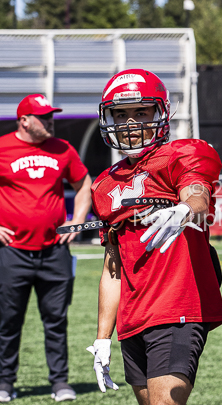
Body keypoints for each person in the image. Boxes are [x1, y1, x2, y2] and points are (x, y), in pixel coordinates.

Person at [87, 69, 222, 405]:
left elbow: (197, 194)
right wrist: (103, 337)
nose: (130, 122)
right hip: (133, 318)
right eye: (120, 114)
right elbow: (112, 267)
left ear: (160, 114)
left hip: (178, 308)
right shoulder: (103, 184)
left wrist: (183, 209)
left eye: (140, 112)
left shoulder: (184, 153)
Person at [0, 94, 92, 402]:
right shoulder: (2, 148)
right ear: (24, 120)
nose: (50, 120)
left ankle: (60, 383)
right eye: (43, 116)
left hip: (54, 252)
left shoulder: (62, 149)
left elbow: (84, 185)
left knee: (56, 320)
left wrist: (77, 220)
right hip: (12, 251)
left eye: (51, 115)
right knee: (8, 321)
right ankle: (5, 382)